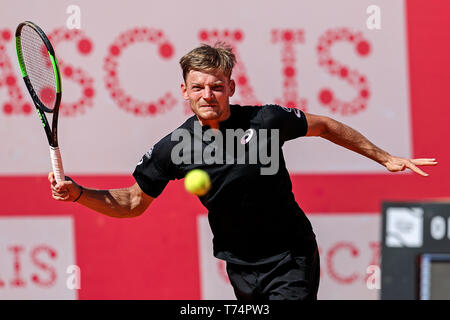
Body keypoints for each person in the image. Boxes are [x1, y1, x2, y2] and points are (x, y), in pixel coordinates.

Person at [49, 42, 437, 300]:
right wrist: (78, 193)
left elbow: (326, 126)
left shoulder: (266, 121)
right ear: (184, 91)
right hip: (240, 266)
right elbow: (132, 201)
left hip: (291, 257)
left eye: (216, 86)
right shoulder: (175, 147)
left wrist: (384, 157)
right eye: (197, 87)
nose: (207, 95)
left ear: (231, 87)